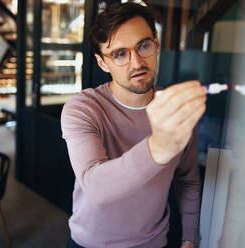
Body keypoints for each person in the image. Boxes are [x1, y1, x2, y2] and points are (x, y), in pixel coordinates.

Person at [61, 2, 206, 248]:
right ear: (102, 63)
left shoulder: (174, 109)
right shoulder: (83, 109)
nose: (136, 62)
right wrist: (158, 147)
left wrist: (190, 237)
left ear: (157, 44)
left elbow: (188, 180)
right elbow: (97, 189)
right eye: (119, 54)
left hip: (153, 242)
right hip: (90, 243)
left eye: (143, 46)